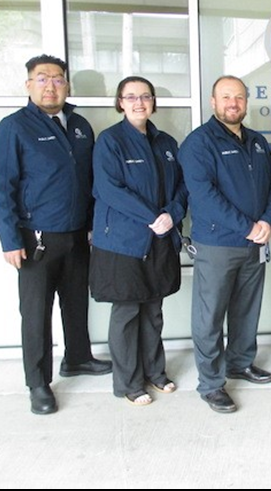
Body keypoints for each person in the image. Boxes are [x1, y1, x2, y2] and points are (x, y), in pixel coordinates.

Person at [0, 54, 112, 415]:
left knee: (76, 302)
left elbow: (89, 182)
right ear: (29, 85)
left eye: (57, 79)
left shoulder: (79, 126)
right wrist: (9, 239)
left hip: (76, 235)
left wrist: (92, 225)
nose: (50, 85)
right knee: (36, 313)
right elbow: (2, 188)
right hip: (35, 240)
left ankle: (78, 358)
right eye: (42, 79)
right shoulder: (13, 128)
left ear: (66, 85)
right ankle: (37, 383)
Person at [178, 75, 271, 414]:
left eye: (238, 97)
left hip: (255, 242)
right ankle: (211, 383)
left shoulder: (256, 141)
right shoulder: (198, 143)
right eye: (226, 97)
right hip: (218, 245)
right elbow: (205, 198)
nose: (233, 103)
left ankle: (240, 362)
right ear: (213, 102)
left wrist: (267, 221)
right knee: (210, 317)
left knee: (246, 309)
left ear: (246, 102)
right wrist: (249, 226)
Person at [89, 76, 188, 406]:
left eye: (145, 96)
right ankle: (129, 382)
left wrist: (172, 213)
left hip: (159, 239)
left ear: (153, 102)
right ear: (120, 102)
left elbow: (182, 189)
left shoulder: (167, 143)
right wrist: (152, 216)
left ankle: (155, 372)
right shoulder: (110, 141)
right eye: (130, 97)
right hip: (123, 242)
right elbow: (109, 189)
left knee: (154, 310)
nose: (138, 102)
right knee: (128, 311)